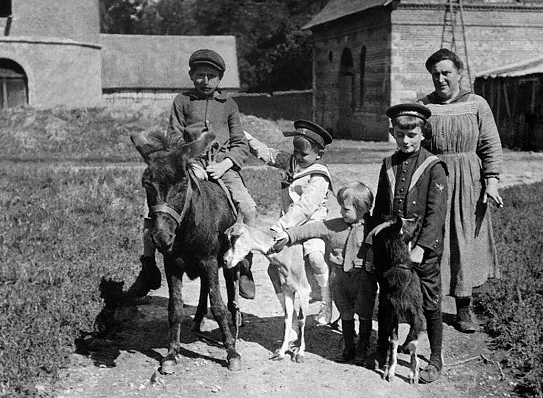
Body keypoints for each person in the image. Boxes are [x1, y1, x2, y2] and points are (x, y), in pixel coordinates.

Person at [128, 49, 257, 300]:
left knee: (249, 209)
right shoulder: (182, 101)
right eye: (200, 75)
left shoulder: (229, 105)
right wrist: (191, 159)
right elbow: (173, 136)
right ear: (191, 76)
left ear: (220, 78)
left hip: (223, 166)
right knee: (158, 212)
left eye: (211, 76)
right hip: (191, 164)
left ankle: (244, 265)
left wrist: (225, 164)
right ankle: (148, 268)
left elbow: (240, 142)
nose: (205, 81)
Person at [419, 48, 504, 333]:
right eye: (435, 74)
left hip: (469, 180)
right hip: (436, 180)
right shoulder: (423, 106)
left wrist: (491, 180)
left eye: (446, 73)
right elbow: (414, 146)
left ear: (459, 73)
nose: (440, 79)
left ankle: (464, 307)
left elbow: (490, 144)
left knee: (465, 240)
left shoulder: (477, 104)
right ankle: (427, 305)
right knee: (434, 238)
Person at [371, 103, 448, 383]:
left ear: (423, 134)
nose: (405, 140)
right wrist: (371, 243)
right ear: (393, 133)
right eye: (400, 134)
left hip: (421, 248)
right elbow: (380, 210)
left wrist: (421, 248)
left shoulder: (434, 167)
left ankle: (436, 357)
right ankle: (383, 346)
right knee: (389, 296)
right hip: (392, 249)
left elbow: (436, 213)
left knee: (428, 299)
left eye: (412, 135)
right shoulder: (387, 165)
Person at [274, 182, 376, 365]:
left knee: (364, 313)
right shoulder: (335, 226)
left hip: (363, 278)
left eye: (346, 209)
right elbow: (312, 229)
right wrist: (289, 235)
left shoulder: (372, 228)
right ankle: (349, 349)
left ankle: (362, 349)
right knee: (345, 311)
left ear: (362, 209)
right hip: (339, 278)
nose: (342, 213)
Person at [244, 120, 334, 325]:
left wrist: (281, 225)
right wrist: (247, 138)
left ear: (319, 155)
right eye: (296, 152)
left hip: (311, 223)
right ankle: (289, 314)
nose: (298, 158)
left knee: (315, 258)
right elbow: (268, 154)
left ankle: (326, 300)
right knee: (273, 267)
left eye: (304, 155)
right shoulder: (292, 161)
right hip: (288, 223)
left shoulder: (319, 175)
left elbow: (305, 207)